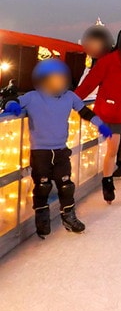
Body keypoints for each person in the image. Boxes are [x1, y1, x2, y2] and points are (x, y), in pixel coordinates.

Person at [2, 59, 112, 236]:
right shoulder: (32, 96)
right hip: (40, 152)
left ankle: (68, 216)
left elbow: (85, 112)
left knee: (66, 184)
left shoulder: (69, 96)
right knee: (42, 185)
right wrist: (12, 105)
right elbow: (9, 100)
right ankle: (42, 218)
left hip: (60, 150)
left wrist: (101, 125)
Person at [74, 25, 121, 204]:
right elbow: (89, 83)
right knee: (112, 149)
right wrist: (72, 98)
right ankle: (107, 183)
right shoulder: (107, 61)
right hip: (111, 113)